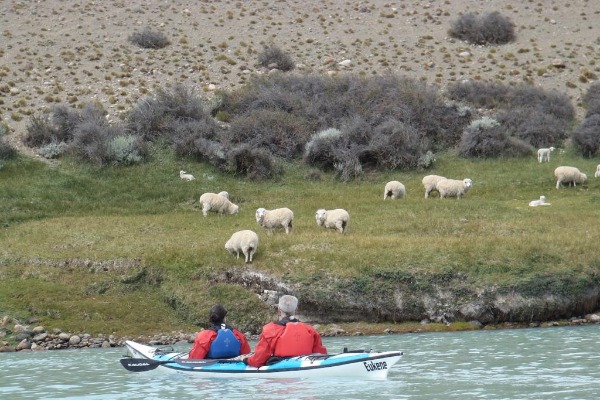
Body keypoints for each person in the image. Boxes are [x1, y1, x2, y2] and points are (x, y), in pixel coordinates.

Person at [241, 295, 327, 367]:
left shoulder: (270, 331)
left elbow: (257, 361)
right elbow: (321, 354)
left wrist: (246, 360)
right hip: (305, 368)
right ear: (296, 310)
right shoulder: (310, 330)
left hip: (280, 372)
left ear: (278, 309)